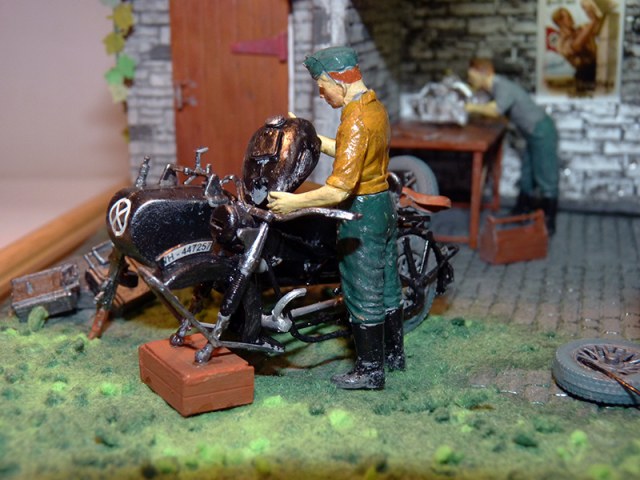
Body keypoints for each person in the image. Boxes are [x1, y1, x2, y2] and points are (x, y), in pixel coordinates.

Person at [267, 46, 403, 390]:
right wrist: (309, 136)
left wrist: (293, 203)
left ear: (337, 81)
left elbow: (339, 190)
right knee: (388, 286)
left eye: (321, 86)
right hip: (383, 205)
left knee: (362, 291)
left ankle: (370, 372)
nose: (321, 93)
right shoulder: (373, 107)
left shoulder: (355, 120)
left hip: (361, 214)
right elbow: (351, 152)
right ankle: (393, 356)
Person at [465, 58, 559, 234]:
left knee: (546, 174)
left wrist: (470, 107)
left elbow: (496, 110)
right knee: (527, 174)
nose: (471, 80)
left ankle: (549, 220)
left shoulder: (502, 86)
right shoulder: (495, 89)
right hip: (532, 132)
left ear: (484, 73)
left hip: (541, 130)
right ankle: (522, 210)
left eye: (473, 76)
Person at [552, 1, 604, 93]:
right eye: (567, 16)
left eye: (570, 15)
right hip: (584, 75)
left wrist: (591, 11)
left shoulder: (581, 29)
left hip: (598, 69)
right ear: (560, 22)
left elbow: (597, 27)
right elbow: (577, 46)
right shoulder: (560, 42)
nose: (571, 18)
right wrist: (593, 22)